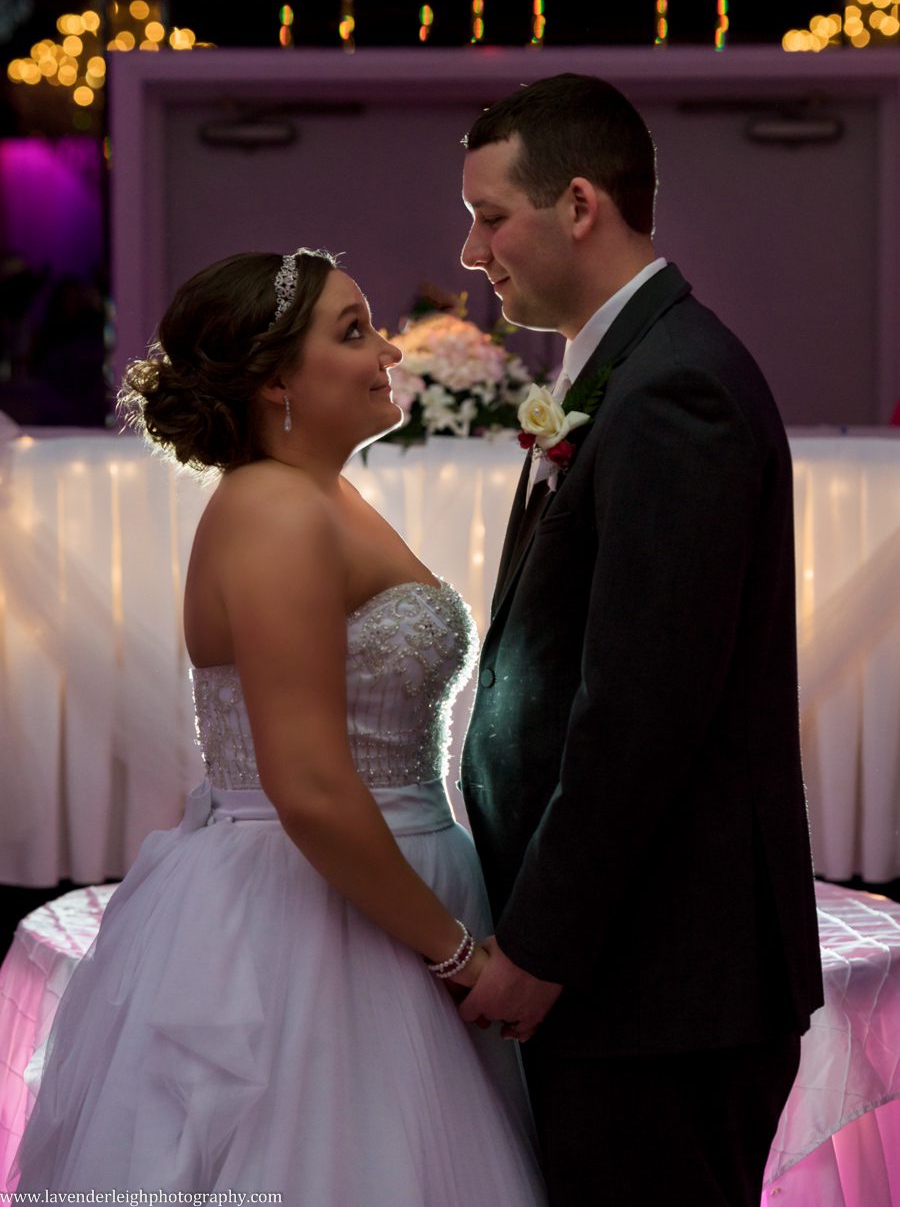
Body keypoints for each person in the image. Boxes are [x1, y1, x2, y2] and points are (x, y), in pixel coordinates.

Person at [15, 249, 546, 1206]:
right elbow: (304, 784)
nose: (387, 346)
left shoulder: (319, 493)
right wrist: (460, 955)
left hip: (381, 884)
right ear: (273, 382)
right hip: (315, 921)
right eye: (352, 331)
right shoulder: (272, 512)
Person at [456, 74, 824, 1207]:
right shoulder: (627, 366)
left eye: (489, 214)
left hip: (658, 980)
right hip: (636, 969)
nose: (472, 253)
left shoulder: (676, 390)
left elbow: (640, 710)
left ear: (579, 204)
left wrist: (544, 944)